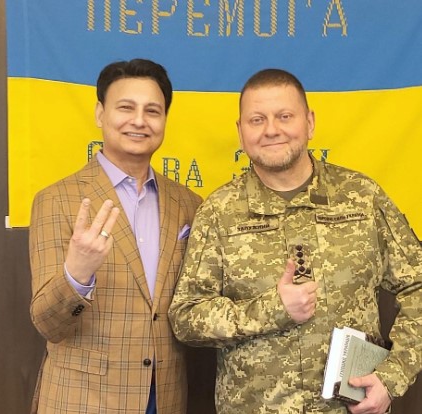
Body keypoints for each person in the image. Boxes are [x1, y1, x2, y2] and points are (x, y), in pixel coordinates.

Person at [168, 68, 422, 414]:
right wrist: (273, 309)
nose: (271, 129)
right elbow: (186, 317)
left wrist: (392, 377)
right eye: (257, 120)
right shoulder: (219, 212)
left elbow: (418, 284)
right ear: (241, 132)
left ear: (310, 123)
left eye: (284, 116)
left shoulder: (362, 197)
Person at [29, 58, 202, 414]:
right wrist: (77, 274)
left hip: (165, 396)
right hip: (83, 400)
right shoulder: (56, 200)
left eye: (152, 111)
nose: (139, 120)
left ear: (165, 120)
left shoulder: (188, 203)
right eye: (125, 107)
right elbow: (48, 323)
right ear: (100, 113)